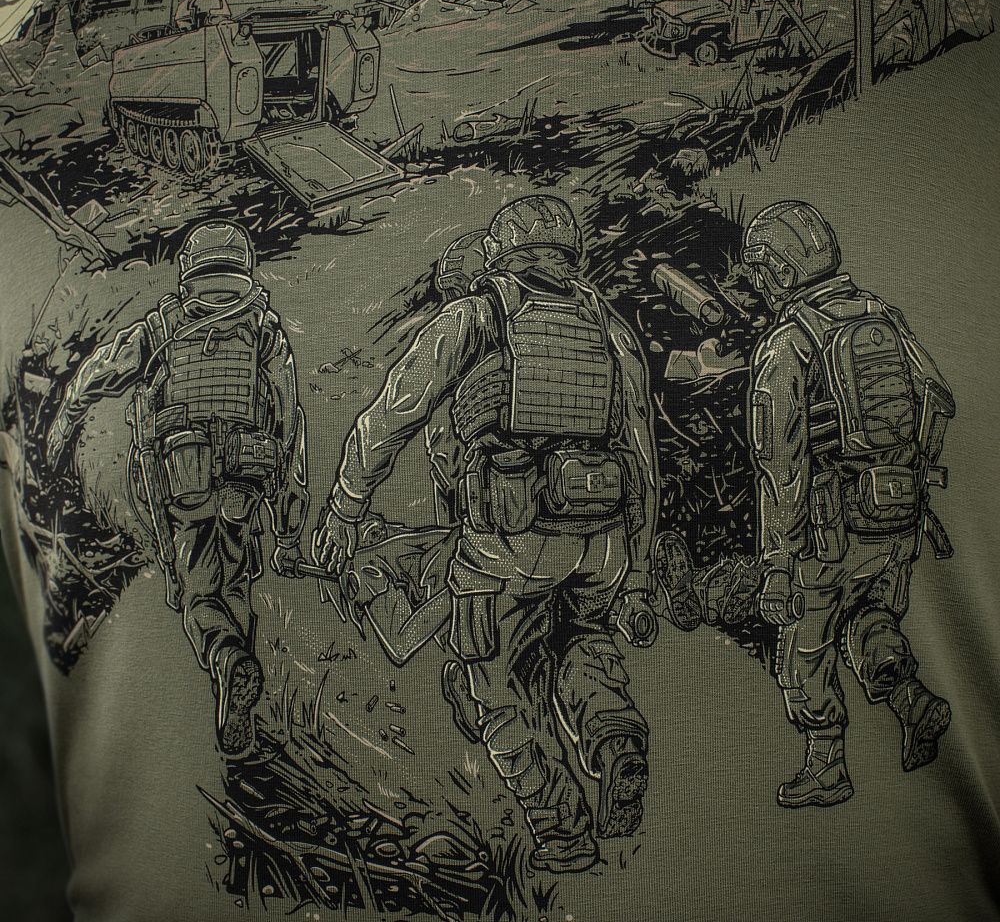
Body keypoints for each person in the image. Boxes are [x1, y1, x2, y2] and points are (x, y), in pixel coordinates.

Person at [312, 194, 660, 871]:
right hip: (602, 539)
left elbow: (395, 411)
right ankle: (615, 739)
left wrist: (346, 506)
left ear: (502, 251)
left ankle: (561, 830)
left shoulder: (478, 314)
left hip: (508, 541)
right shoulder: (607, 326)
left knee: (487, 683)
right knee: (582, 642)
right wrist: (638, 570)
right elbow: (643, 458)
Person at [46, 220, 309, 759]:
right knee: (235, 581)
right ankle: (236, 701)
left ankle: (228, 662)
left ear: (191, 270)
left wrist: (69, 409)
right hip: (245, 478)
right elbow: (288, 415)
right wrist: (290, 496)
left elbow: (106, 368)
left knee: (198, 596)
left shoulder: (163, 326)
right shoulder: (263, 328)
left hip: (184, 481)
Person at [740, 200, 955, 809]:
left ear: (783, 269)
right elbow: (938, 398)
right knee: (870, 621)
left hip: (827, 531)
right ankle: (913, 704)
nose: (758, 284)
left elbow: (780, 465)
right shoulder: (882, 315)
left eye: (761, 270)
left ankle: (826, 767)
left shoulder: (789, 342)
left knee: (803, 654)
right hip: (896, 515)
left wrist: (778, 563)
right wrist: (908, 470)